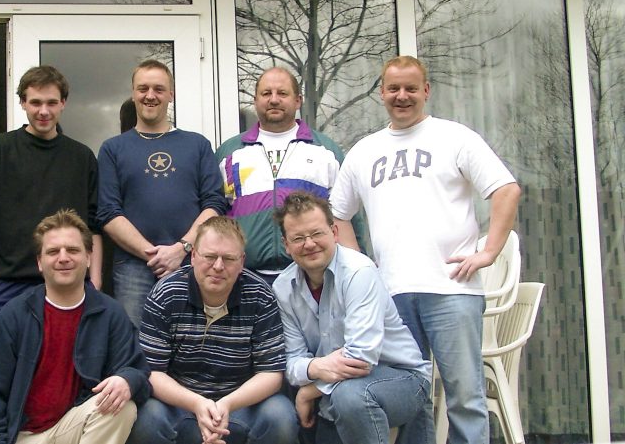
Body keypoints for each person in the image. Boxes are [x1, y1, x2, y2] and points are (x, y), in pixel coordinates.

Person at [330, 55, 522, 444]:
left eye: (411, 88)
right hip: (391, 295)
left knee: (465, 398)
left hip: (453, 289)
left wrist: (487, 253)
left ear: (426, 91)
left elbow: (506, 190)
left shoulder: (455, 137)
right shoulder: (364, 151)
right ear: (381, 92)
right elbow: (337, 214)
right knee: (411, 399)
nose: (402, 96)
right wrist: (361, 267)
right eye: (393, 88)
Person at [0, 209, 149, 444]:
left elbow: (137, 370)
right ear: (39, 262)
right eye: (53, 251)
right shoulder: (14, 314)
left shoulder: (110, 313)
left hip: (76, 428)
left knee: (122, 407)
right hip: (24, 437)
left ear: (89, 258)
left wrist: (127, 380)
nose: (63, 258)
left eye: (73, 250)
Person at [273, 191, 434, 444]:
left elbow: (360, 358)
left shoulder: (359, 272)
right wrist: (318, 367)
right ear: (286, 244)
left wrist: (308, 392)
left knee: (350, 397)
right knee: (343, 400)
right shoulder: (283, 288)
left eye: (316, 233)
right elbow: (292, 362)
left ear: (334, 232)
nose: (309, 244)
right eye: (298, 238)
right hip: (336, 394)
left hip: (401, 379)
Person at [127, 216, 299, 444]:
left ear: (242, 261)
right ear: (193, 256)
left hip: (240, 407)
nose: (218, 266)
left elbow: (271, 374)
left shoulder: (260, 295)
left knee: (280, 416)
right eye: (209, 257)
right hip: (181, 406)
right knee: (146, 417)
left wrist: (226, 405)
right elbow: (152, 372)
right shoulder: (166, 294)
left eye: (228, 258)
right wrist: (198, 404)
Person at [97, 59, 228, 326]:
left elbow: (215, 204)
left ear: (171, 94)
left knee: (193, 339)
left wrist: (181, 249)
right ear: (133, 94)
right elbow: (108, 212)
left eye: (158, 89)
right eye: (143, 88)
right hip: (133, 269)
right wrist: (154, 255)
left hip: (192, 262)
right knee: (136, 343)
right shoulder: (112, 149)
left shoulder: (197, 145)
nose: (150, 95)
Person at [0, 66, 101, 316]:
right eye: (36, 102)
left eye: (51, 103)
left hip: (69, 282)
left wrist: (95, 280)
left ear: (63, 103)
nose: (43, 111)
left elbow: (94, 224)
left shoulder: (82, 157)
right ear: (23, 103)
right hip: (5, 286)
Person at [214, 67, 343, 285]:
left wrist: (356, 264)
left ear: (298, 100)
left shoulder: (326, 150)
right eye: (266, 93)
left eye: (282, 93)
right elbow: (215, 211)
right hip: (245, 277)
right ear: (255, 100)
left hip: (313, 276)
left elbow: (346, 214)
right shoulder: (229, 152)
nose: (274, 100)